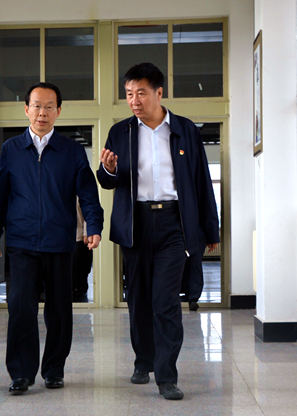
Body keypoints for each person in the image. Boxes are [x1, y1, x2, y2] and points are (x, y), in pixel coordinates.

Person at [97, 63, 219, 400]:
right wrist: (108, 170)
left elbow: (201, 181)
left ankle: (167, 377)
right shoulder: (120, 131)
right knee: (138, 300)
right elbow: (107, 180)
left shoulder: (184, 130)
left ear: (159, 93)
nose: (134, 101)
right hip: (135, 224)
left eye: (141, 93)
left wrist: (210, 230)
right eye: (129, 94)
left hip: (173, 223)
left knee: (165, 301)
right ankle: (143, 360)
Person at [0, 82, 104, 394]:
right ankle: (21, 373)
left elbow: (88, 194)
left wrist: (93, 226)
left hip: (60, 241)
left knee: (60, 310)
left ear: (58, 111)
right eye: (37, 105)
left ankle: (54, 369)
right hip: (21, 242)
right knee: (20, 308)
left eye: (49, 106)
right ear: (26, 109)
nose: (42, 112)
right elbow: (1, 195)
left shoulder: (72, 151)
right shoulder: (11, 149)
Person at [72, 199, 93, 303]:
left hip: (79, 235)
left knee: (80, 265)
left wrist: (86, 233)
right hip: (65, 235)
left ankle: (80, 289)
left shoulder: (80, 194)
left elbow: (88, 212)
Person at [181, 231, 207, 311]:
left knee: (194, 265)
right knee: (194, 266)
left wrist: (213, 238)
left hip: (196, 235)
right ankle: (191, 297)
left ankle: (192, 297)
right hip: (194, 235)